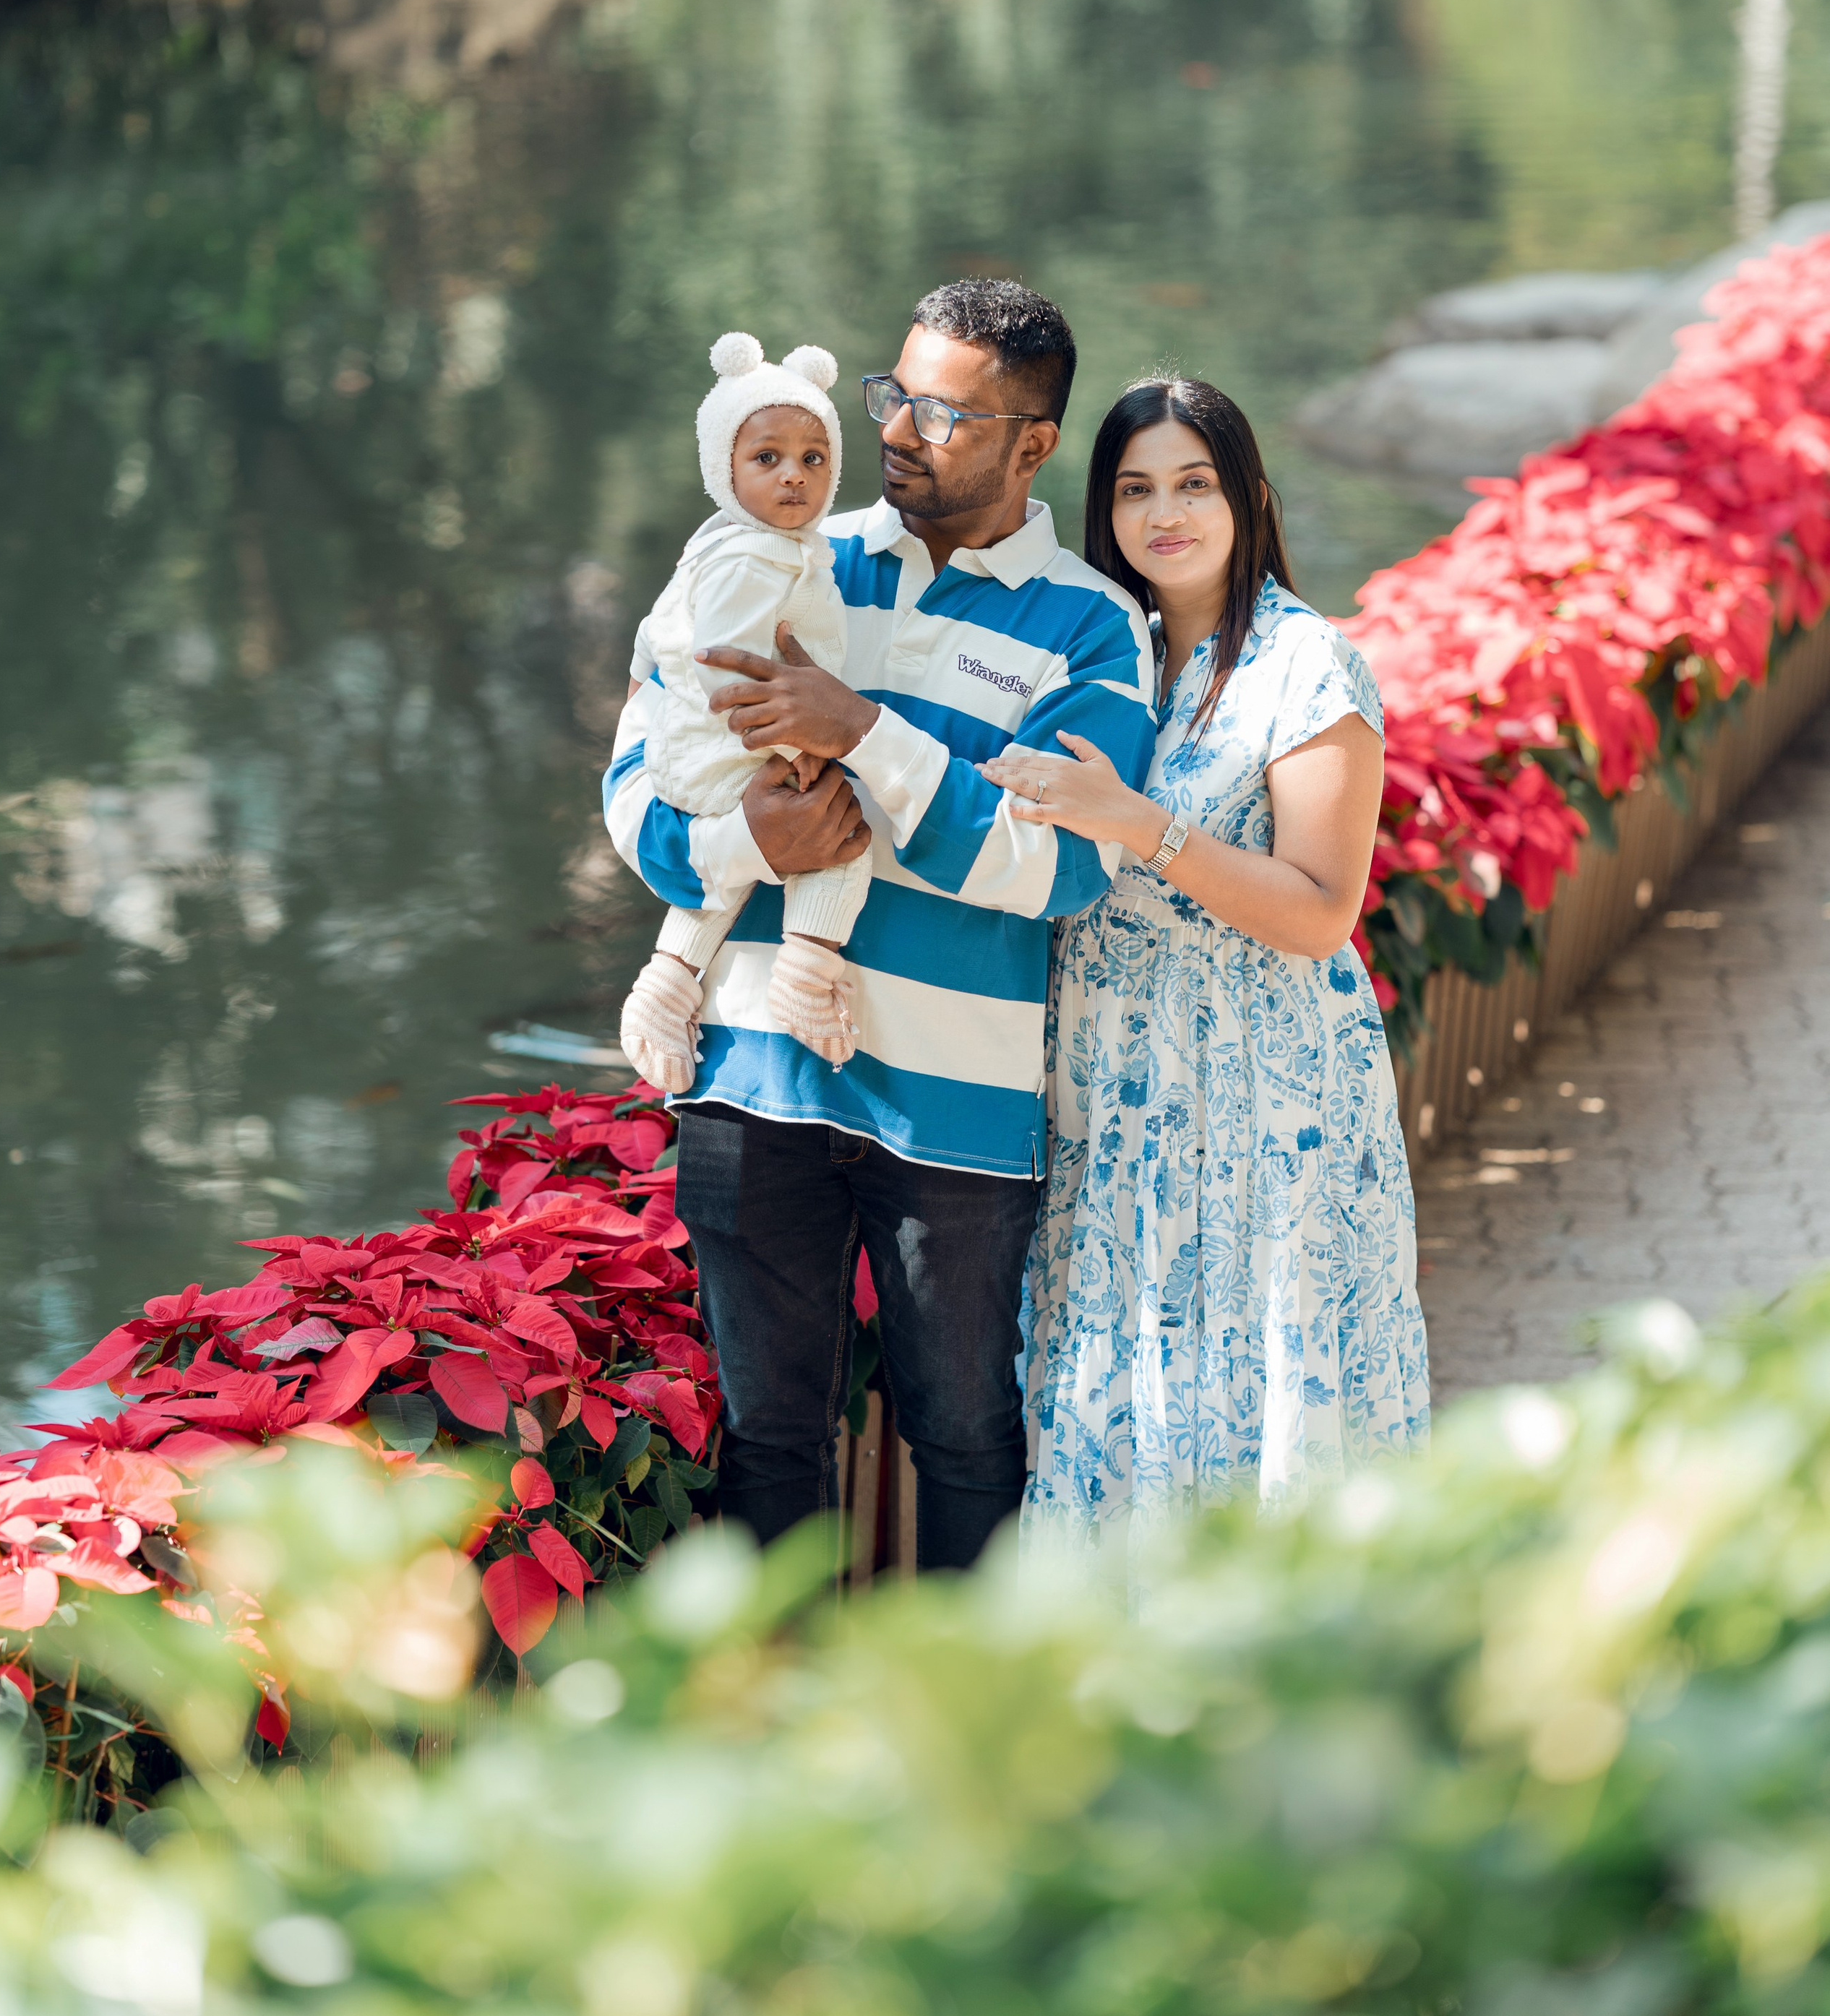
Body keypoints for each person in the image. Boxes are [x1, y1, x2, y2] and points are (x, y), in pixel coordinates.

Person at [602, 280, 1156, 1570]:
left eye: (942, 414)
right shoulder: (779, 545)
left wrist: (863, 731)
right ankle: (773, 1697)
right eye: (892, 396)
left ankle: (958, 1704)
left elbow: (1064, 869)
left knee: (964, 1437)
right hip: (752, 1074)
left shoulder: (1092, 627)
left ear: (1034, 444)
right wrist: (748, 846)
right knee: (765, 1438)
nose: (897, 432)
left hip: (954, 1109)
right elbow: (637, 781)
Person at [981, 374, 1429, 1571]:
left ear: (1250, 500)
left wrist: (1142, 825)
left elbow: (1322, 910)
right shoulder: (1092, 650)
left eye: (1194, 485)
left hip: (1262, 1089)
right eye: (1135, 490)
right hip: (1110, 1091)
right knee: (1109, 1365)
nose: (1165, 514)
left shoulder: (1306, 664)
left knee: (1259, 1366)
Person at [618, 332, 875, 1094]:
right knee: (839, 843)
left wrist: (641, 680)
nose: (794, 475)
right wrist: (800, 745)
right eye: (767, 458)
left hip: (708, 746)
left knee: (731, 870)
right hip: (738, 739)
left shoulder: (739, 544)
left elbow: (661, 636)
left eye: (814, 458)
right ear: (723, 469)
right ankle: (807, 972)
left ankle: (668, 980)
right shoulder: (755, 555)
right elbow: (724, 663)